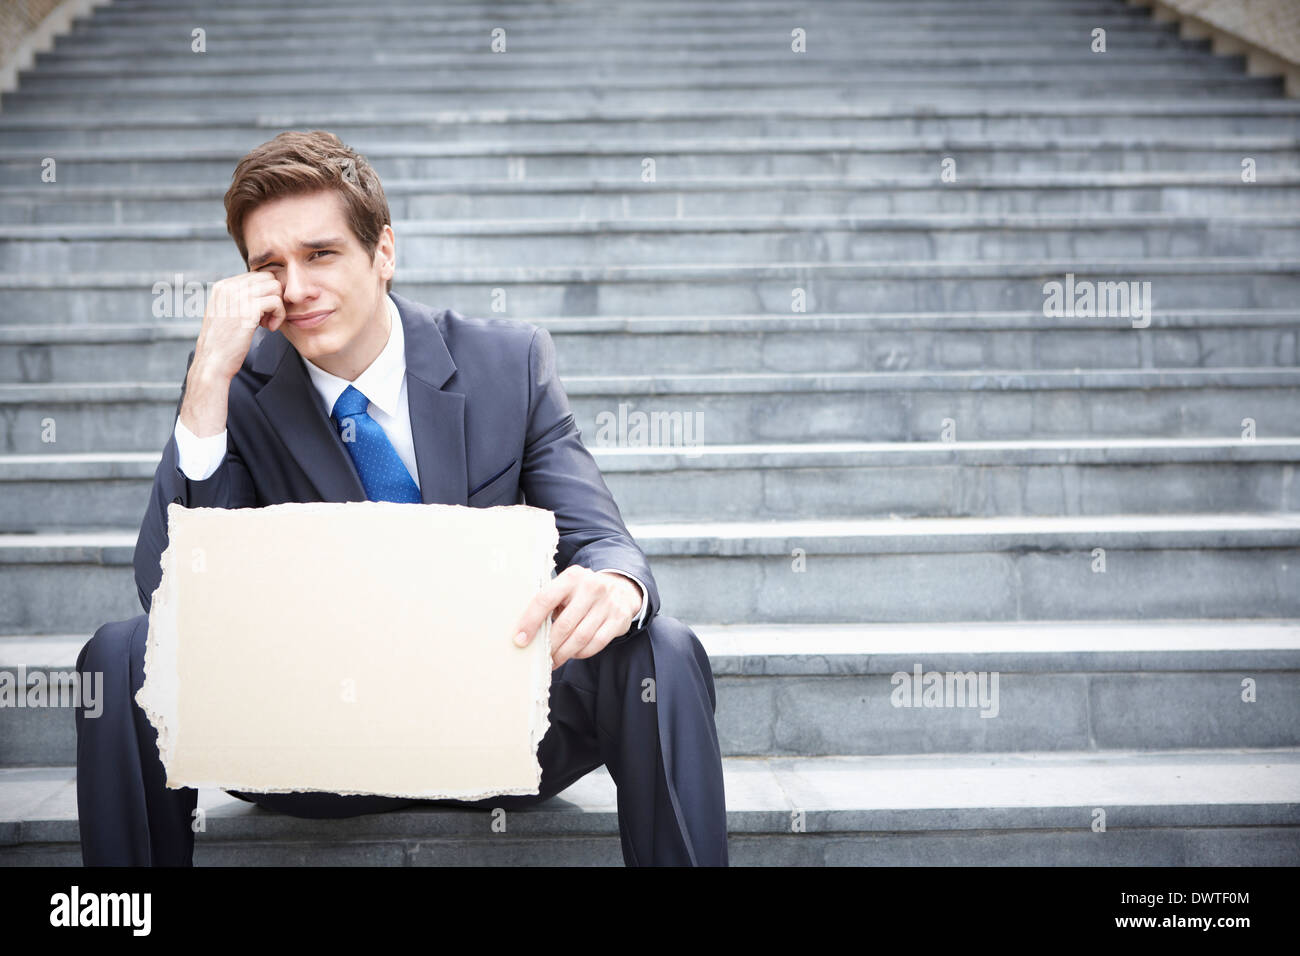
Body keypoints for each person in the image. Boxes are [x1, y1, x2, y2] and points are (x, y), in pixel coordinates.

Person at [74, 130, 728, 867]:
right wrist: (204, 386)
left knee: (660, 646)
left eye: (320, 254)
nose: (295, 289)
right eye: (269, 267)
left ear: (384, 252)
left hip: (499, 726)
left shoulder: (506, 363)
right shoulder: (235, 390)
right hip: (317, 740)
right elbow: (171, 604)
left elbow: (600, 537)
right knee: (122, 652)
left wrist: (614, 581)